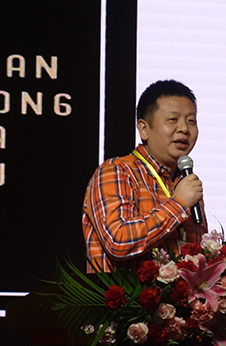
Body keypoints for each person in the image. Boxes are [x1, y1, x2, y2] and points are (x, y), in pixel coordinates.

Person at [82, 79, 206, 271]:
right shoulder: (117, 171)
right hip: (122, 291)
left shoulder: (186, 184)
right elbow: (118, 241)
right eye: (173, 120)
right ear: (144, 129)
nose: (184, 128)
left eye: (191, 121)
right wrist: (179, 204)